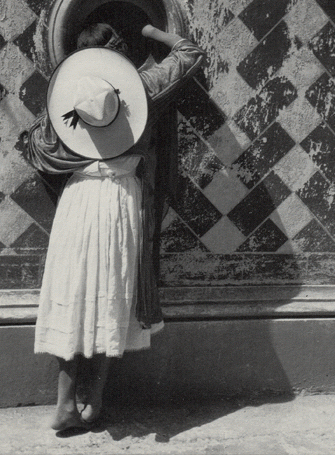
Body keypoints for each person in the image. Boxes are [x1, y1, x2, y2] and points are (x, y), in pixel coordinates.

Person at [25, 22, 204, 432]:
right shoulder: (143, 89)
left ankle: (65, 403)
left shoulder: (68, 97)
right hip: (121, 198)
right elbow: (190, 54)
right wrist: (157, 33)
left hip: (78, 201)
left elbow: (38, 146)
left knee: (73, 293)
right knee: (112, 294)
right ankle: (97, 399)